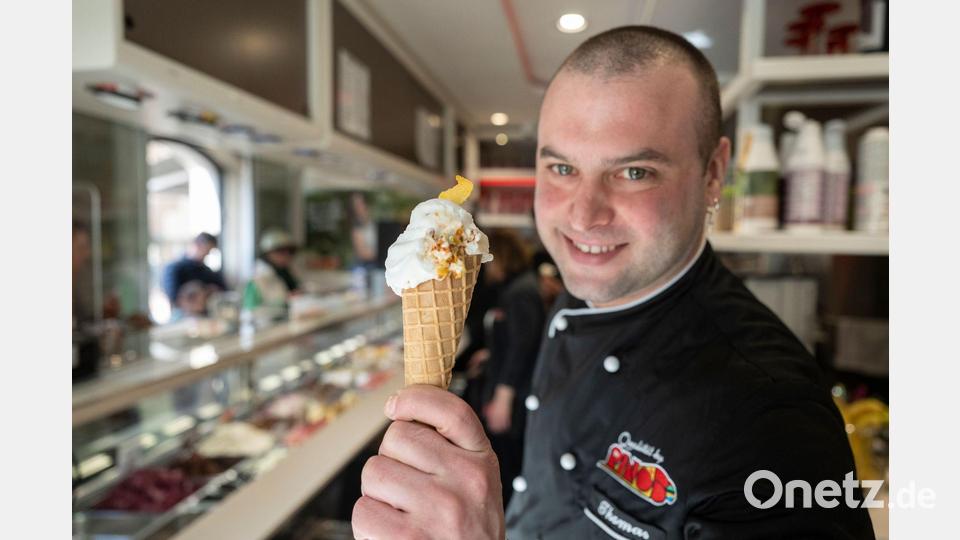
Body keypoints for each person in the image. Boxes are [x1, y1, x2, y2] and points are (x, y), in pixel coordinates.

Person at [352, 26, 874, 539]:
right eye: (561, 167)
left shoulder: (773, 419)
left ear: (713, 172)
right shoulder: (581, 289)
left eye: (634, 172)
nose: (583, 216)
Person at [466, 230, 546, 508]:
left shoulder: (520, 293)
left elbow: (522, 349)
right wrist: (491, 352)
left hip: (513, 396)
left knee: (505, 465)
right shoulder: (522, 287)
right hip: (510, 389)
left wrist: (502, 398)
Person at [162, 232, 226, 318]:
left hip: (205, 318)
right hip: (182, 317)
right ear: (197, 245)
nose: (207, 254)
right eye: (206, 250)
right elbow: (174, 297)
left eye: (209, 252)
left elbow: (224, 291)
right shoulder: (174, 269)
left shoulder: (208, 271)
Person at [246, 229, 302, 310]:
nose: (286, 256)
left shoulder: (284, 272)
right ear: (267, 253)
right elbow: (250, 309)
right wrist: (285, 301)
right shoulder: (257, 277)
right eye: (281, 252)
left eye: (290, 252)